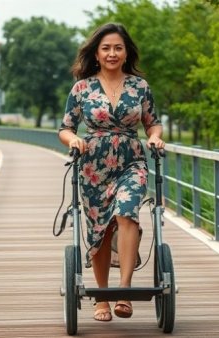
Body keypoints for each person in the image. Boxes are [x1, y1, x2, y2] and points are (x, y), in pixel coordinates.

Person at [58, 23, 165, 322]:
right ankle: (101, 299)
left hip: (132, 161)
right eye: (106, 48)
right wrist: (74, 139)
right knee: (100, 231)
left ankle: (124, 290)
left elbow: (152, 122)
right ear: (96, 53)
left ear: (126, 51)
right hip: (94, 166)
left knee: (127, 211)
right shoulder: (82, 88)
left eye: (118, 47)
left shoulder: (140, 86)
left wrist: (155, 136)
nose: (112, 53)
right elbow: (65, 127)